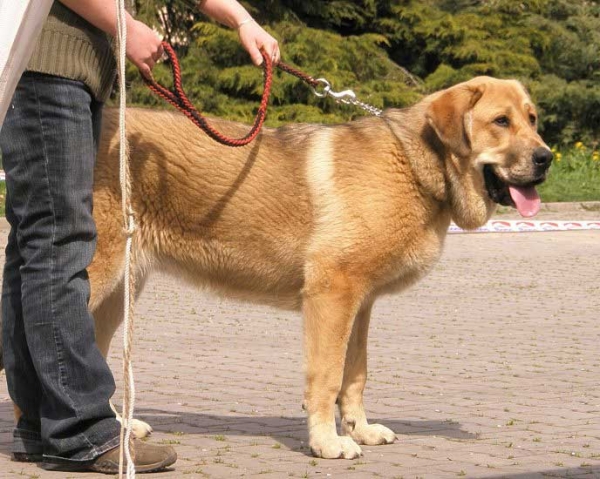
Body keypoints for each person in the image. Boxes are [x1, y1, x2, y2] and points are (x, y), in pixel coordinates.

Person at [0, 0, 279, 473]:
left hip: (61, 72)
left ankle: (40, 425)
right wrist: (125, 28)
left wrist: (241, 19)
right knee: (58, 245)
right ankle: (80, 429)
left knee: (36, 245)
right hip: (44, 71)